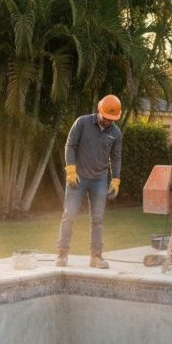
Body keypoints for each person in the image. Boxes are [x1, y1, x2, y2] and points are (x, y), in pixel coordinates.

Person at [56, 94, 123, 269]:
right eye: (106, 118)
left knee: (98, 219)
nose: (108, 122)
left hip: (99, 180)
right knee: (69, 215)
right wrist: (71, 170)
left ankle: (96, 257)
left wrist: (115, 179)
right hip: (77, 178)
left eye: (112, 119)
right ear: (99, 111)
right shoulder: (82, 123)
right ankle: (62, 254)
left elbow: (115, 158)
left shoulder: (116, 133)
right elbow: (70, 145)